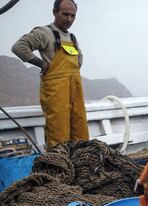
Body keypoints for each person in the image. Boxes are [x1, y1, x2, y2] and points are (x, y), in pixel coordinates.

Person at [11, 0, 89, 148]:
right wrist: (40, 63)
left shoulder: (72, 38)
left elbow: (79, 60)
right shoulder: (44, 32)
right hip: (56, 90)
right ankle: (59, 167)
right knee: (58, 133)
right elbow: (19, 47)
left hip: (75, 89)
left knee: (80, 130)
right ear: (54, 12)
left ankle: (81, 165)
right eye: (65, 14)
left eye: (73, 15)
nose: (69, 19)